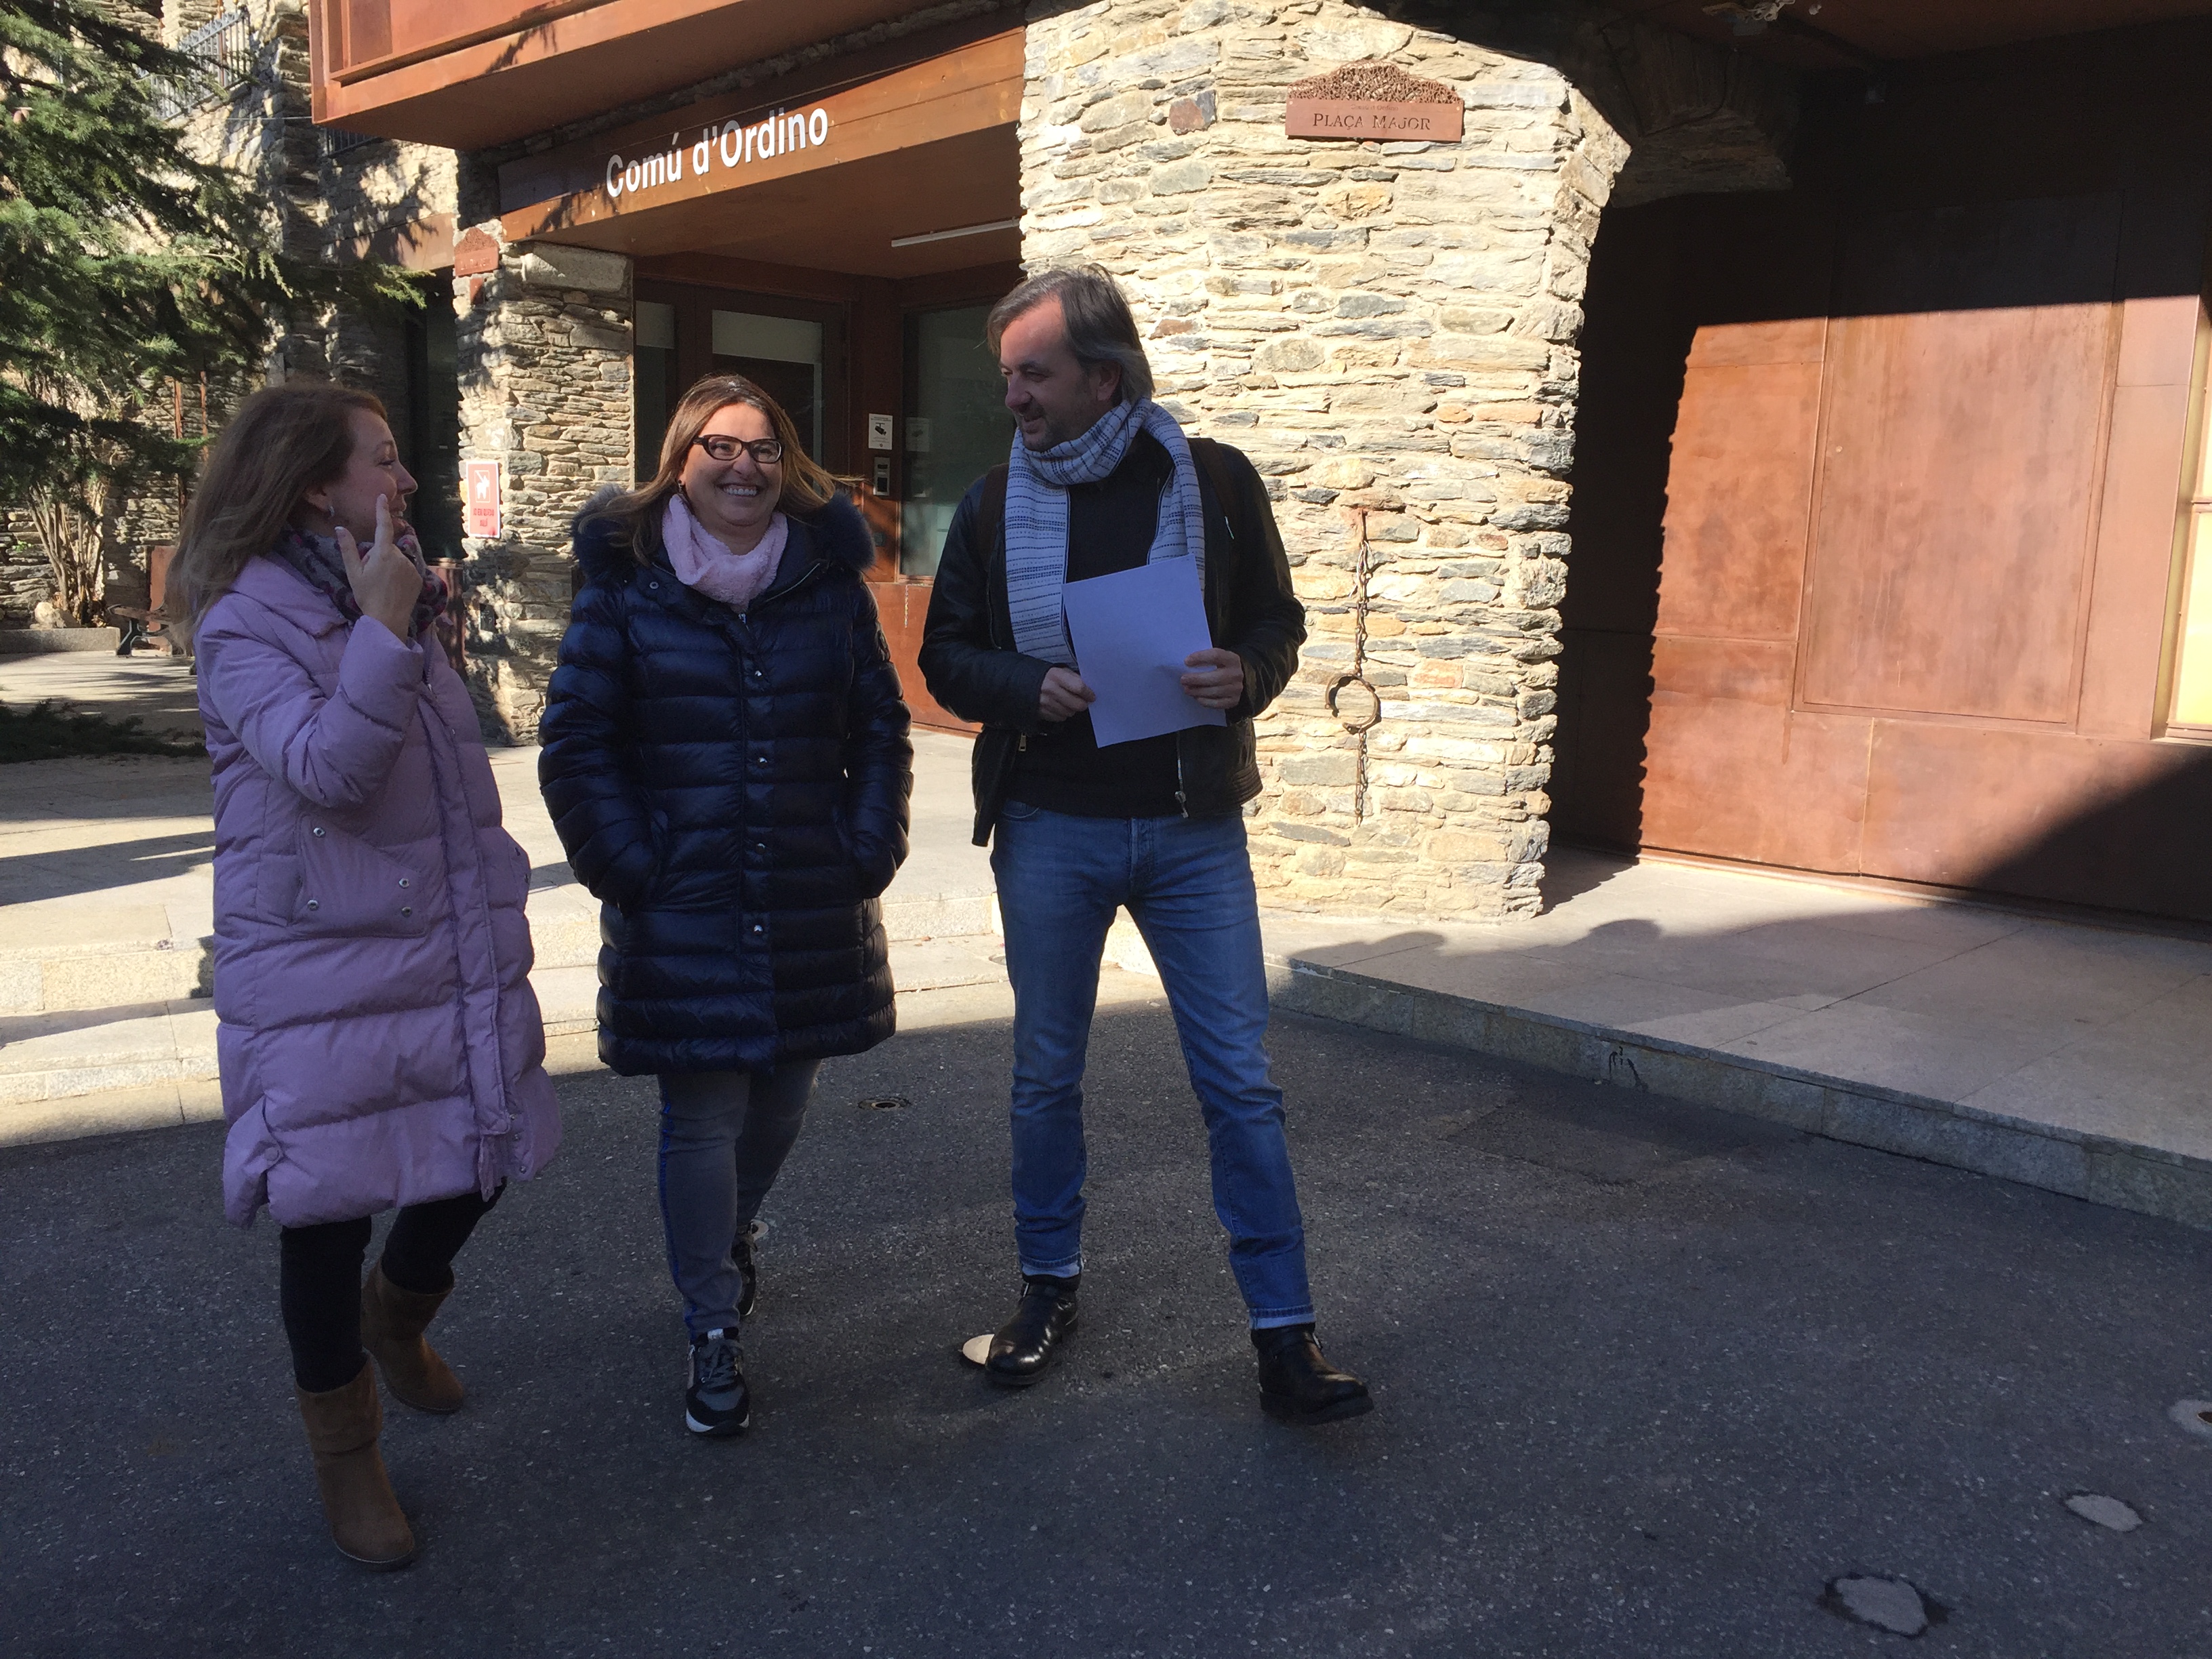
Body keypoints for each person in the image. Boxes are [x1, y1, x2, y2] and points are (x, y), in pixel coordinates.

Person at [918, 266, 1371, 1425]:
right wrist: (1025, 687)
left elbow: (1277, 621)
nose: (1013, 397)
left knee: (1239, 1082)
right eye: (1006, 376)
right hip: (1050, 825)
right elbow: (946, 655)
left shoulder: (1211, 481)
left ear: (1104, 378)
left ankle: (1285, 1335)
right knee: (1045, 1075)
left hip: (1191, 830)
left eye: (1034, 374)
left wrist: (1245, 673)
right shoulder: (992, 504)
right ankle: (1047, 1289)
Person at [174, 383, 561, 1570]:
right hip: (316, 962)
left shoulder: (389, 591)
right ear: (311, 486)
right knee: (327, 1211)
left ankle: (398, 1314)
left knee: (481, 1155)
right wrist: (388, 635)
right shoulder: (242, 622)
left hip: (444, 941)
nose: (405, 479)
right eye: (382, 459)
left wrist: (399, 622)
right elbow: (326, 773)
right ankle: (347, 1454)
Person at [539, 375, 911, 1439]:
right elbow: (577, 742)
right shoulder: (627, 583)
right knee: (702, 1111)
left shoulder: (828, 583)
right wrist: (628, 863)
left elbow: (879, 726)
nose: (743, 467)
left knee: (782, 1100)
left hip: (807, 888)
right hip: (684, 895)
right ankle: (710, 1319)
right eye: (719, 447)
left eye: (764, 449)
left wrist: (867, 845)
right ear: (680, 462)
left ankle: (729, 1232)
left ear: (787, 467)